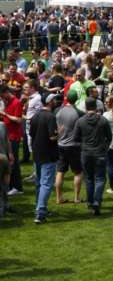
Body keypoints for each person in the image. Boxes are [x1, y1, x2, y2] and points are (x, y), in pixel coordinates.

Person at [74, 97, 113, 216]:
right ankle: (96, 201)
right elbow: (109, 137)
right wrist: (105, 147)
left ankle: (91, 202)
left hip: (86, 153)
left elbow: (75, 138)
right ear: (96, 107)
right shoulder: (103, 120)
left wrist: (83, 146)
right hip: (100, 153)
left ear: (86, 107)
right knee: (100, 178)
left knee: (89, 179)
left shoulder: (80, 121)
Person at [30, 94, 59, 224]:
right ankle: (40, 212)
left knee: (39, 183)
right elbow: (52, 137)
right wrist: (60, 132)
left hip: (37, 154)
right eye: (54, 100)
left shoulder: (35, 116)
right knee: (46, 184)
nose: (56, 101)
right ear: (50, 102)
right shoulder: (51, 117)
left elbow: (32, 134)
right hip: (48, 155)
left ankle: (39, 207)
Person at [55, 90, 84, 204]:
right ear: (76, 99)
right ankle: (76, 198)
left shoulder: (58, 110)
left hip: (60, 144)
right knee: (78, 172)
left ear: (66, 98)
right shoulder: (79, 113)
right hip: (74, 146)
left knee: (60, 172)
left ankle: (59, 197)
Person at [0, 85, 23, 197]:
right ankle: (10, 185)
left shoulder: (16, 102)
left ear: (6, 92)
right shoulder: (7, 102)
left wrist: (5, 114)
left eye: (1, 95)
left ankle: (17, 187)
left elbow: (18, 120)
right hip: (7, 136)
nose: (1, 98)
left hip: (14, 137)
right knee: (8, 162)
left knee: (14, 162)